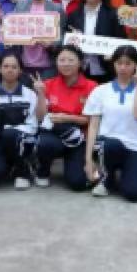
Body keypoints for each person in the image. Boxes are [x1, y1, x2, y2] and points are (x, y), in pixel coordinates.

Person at [82, 45, 137, 202]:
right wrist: (88, 160)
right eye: (119, 63)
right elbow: (93, 126)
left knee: (134, 194)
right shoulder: (101, 90)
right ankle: (107, 178)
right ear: (114, 64)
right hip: (110, 146)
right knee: (110, 144)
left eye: (128, 63)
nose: (123, 68)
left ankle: (125, 174)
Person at [34, 44, 98, 190]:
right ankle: (43, 170)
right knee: (44, 143)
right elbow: (40, 117)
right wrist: (41, 94)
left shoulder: (92, 86)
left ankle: (92, 168)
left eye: (71, 60)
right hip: (54, 134)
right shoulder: (48, 84)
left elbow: (91, 120)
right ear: (56, 62)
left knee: (78, 184)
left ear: (80, 63)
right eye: (62, 60)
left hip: (80, 137)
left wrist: (67, 118)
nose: (66, 64)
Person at [0, 53, 45, 190]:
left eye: (14, 67)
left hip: (23, 140)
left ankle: (23, 171)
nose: (10, 70)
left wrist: (9, 130)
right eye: (6, 66)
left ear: (20, 70)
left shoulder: (29, 93)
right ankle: (11, 165)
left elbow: (34, 123)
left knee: (11, 134)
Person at [67, 0, 126, 83]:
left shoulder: (114, 14)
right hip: (80, 69)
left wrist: (113, 54)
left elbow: (121, 40)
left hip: (107, 69)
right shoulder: (73, 15)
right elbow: (67, 44)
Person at [9, 0, 66, 80]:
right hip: (23, 64)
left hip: (48, 65)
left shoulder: (57, 8)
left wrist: (51, 44)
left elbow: (62, 36)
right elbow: (12, 28)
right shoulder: (21, 6)